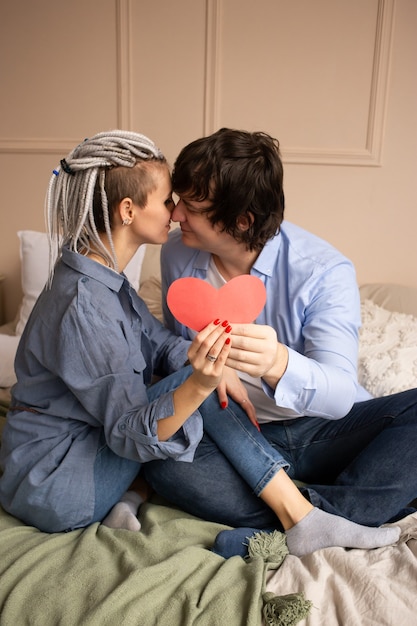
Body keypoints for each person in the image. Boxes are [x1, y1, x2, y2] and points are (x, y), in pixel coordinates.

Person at [143, 127, 417, 558]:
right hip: (230, 432)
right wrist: (209, 369)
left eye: (191, 208)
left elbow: (342, 395)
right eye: (177, 201)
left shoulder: (323, 271)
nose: (175, 215)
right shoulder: (177, 253)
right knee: (158, 458)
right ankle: (319, 521)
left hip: (321, 430)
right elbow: (177, 355)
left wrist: (278, 362)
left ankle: (304, 519)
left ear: (241, 221)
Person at [0, 130, 234, 533]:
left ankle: (134, 494)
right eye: (166, 201)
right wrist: (200, 384)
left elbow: (158, 343)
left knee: (197, 376)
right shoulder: (85, 305)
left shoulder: (101, 274)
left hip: (57, 457)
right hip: (57, 484)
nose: (176, 212)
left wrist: (211, 364)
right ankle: (284, 505)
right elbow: (129, 432)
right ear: (128, 210)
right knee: (195, 388)